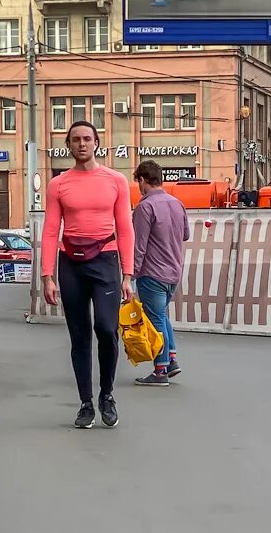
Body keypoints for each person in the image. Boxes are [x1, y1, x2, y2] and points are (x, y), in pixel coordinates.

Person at [41, 120, 134, 429]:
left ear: (97, 143)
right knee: (79, 336)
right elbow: (52, 229)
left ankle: (107, 394)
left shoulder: (115, 180)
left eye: (86, 139)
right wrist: (47, 276)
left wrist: (128, 274)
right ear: (68, 145)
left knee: (106, 330)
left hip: (106, 261)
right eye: (75, 140)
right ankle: (86, 403)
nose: (81, 144)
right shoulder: (58, 184)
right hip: (71, 265)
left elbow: (125, 228)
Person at [131, 161, 190, 387]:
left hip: (152, 272)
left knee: (155, 319)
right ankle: (172, 359)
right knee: (163, 315)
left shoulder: (145, 207)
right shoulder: (177, 203)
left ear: (142, 180)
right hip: (174, 271)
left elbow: (139, 245)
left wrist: (131, 273)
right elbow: (185, 235)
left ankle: (160, 370)